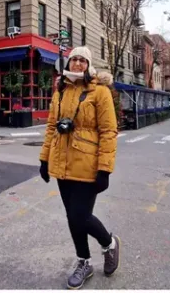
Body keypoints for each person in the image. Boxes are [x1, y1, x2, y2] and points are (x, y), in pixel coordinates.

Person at [39, 47, 120, 289]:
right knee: (73, 218)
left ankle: (109, 244)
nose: (77, 63)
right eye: (74, 59)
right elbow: (52, 127)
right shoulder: (60, 91)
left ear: (88, 65)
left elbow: (108, 132)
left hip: (88, 164)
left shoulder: (100, 92)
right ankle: (84, 262)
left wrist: (104, 169)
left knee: (79, 215)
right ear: (68, 62)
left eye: (82, 60)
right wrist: (44, 160)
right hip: (62, 163)